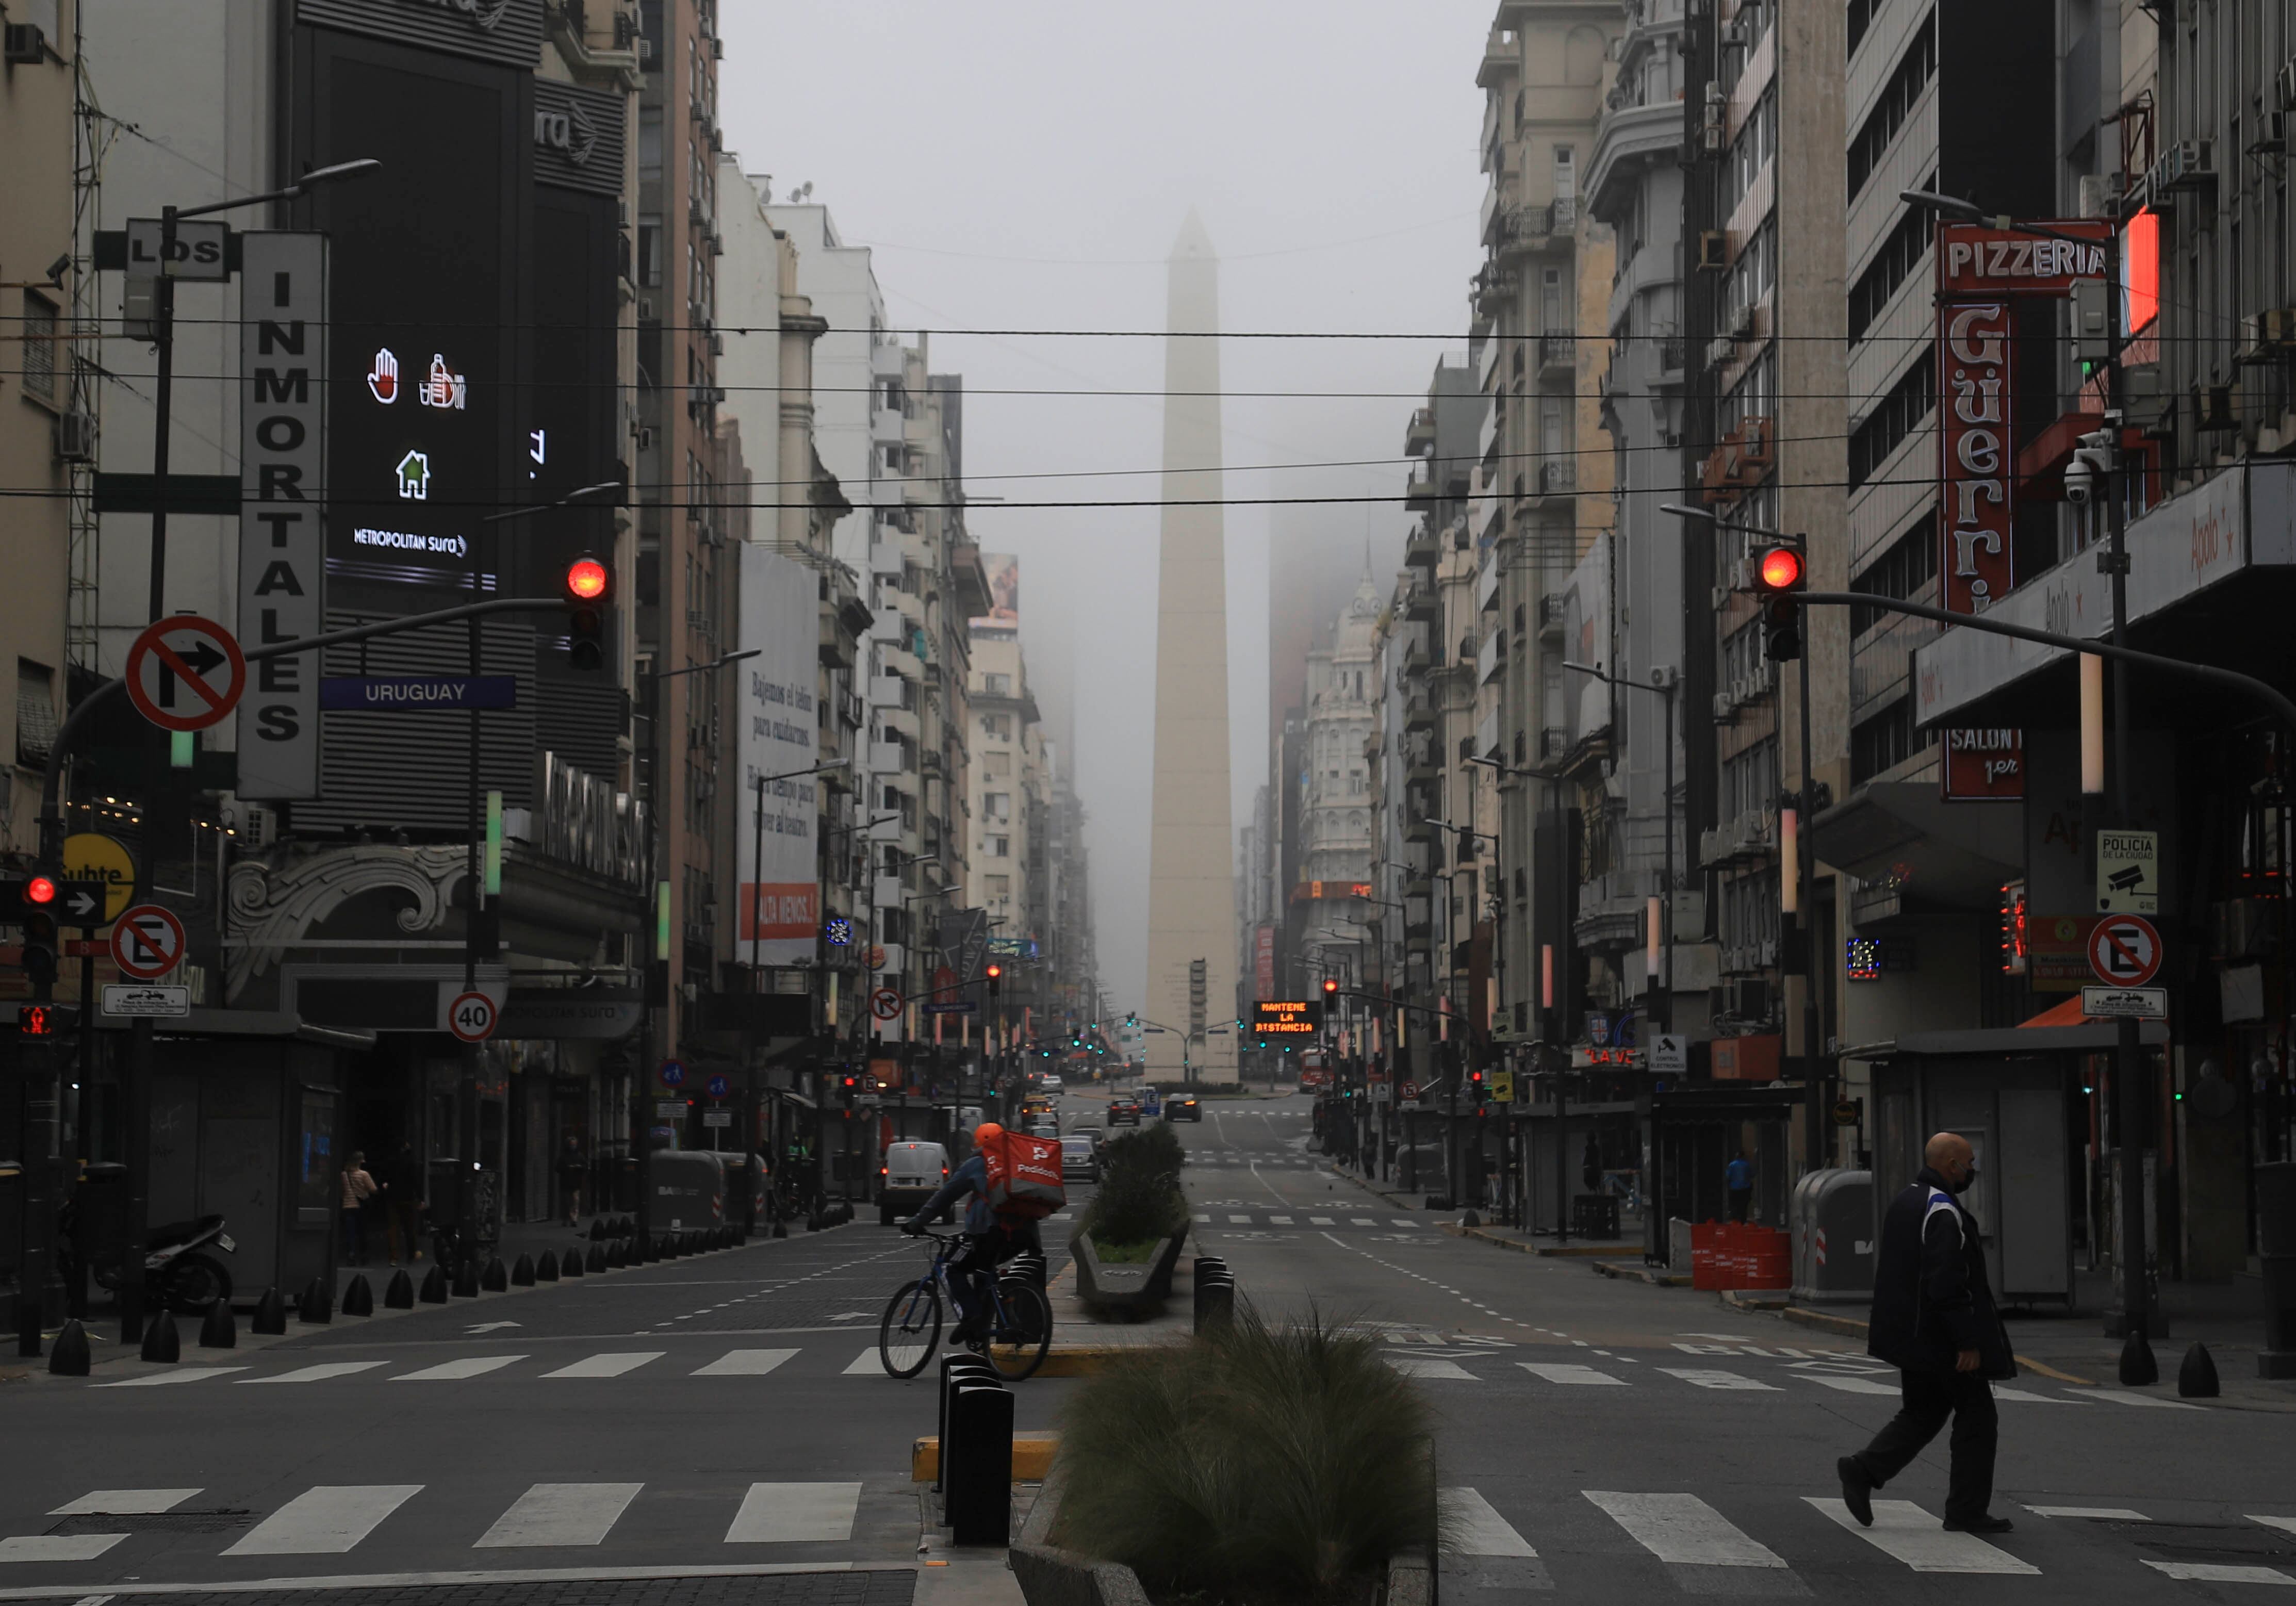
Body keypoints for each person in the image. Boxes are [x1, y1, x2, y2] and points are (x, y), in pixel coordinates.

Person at [1835, 1132, 2017, 1535]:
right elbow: (1946, 1282)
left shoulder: (1907, 1200)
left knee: (1924, 1411)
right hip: (1940, 1339)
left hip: (1911, 1336)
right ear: (1950, 1165)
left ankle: (1863, 1470)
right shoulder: (1942, 1210)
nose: (1972, 1170)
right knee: (1977, 1417)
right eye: (1968, 1163)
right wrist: (1967, 1342)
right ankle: (1966, 1510)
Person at [901, 1122, 1040, 1342]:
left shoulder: (977, 1163)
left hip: (990, 1234)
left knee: (949, 1267)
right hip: (1022, 1236)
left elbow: (945, 1197)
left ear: (978, 1144)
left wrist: (918, 1222)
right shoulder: (1017, 1161)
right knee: (985, 1273)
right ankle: (987, 1329)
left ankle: (971, 1318)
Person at [380, 1142, 422, 1266]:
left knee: (393, 1228)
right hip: (407, 1197)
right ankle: (411, 1254)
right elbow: (415, 1180)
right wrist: (420, 1197)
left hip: (393, 1197)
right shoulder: (410, 1162)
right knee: (409, 1227)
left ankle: (394, 1257)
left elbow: (385, 1178)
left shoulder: (391, 1161)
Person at [339, 1151, 378, 1266]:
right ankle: (364, 1255)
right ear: (361, 1161)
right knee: (362, 1232)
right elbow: (373, 1189)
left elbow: (342, 1191)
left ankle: (351, 1255)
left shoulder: (344, 1174)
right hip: (361, 1207)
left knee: (350, 1233)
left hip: (347, 1205)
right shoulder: (364, 1174)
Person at [556, 1135, 587, 1228]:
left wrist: (579, 1167)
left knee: (575, 1201)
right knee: (566, 1202)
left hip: (576, 1183)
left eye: (575, 1145)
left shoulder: (580, 1156)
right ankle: (566, 1219)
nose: (573, 1146)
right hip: (566, 1182)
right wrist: (567, 1168)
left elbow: (585, 1166)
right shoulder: (563, 1156)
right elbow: (557, 1168)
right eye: (572, 1145)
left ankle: (574, 1219)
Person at [1725, 1150, 1754, 1223]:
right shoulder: (1747, 1165)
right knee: (1744, 1205)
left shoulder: (1732, 1165)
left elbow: (1728, 1176)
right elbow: (1752, 1175)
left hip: (1735, 1189)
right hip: (1745, 1189)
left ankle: (1736, 1220)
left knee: (1735, 1205)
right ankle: (1743, 1220)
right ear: (1743, 1156)